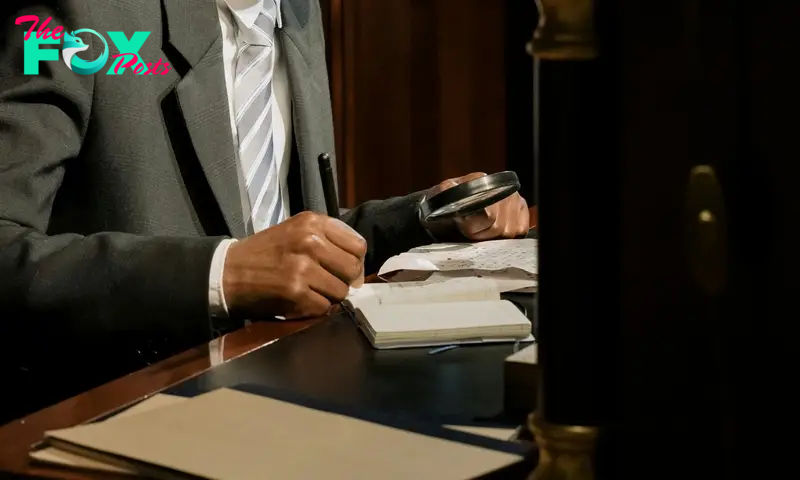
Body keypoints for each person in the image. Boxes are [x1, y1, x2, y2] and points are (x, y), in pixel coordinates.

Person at [0, 0, 529, 399]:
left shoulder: (296, 13)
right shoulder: (76, 15)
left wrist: (428, 216)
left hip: (293, 386)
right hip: (126, 404)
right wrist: (222, 274)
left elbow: (287, 241)